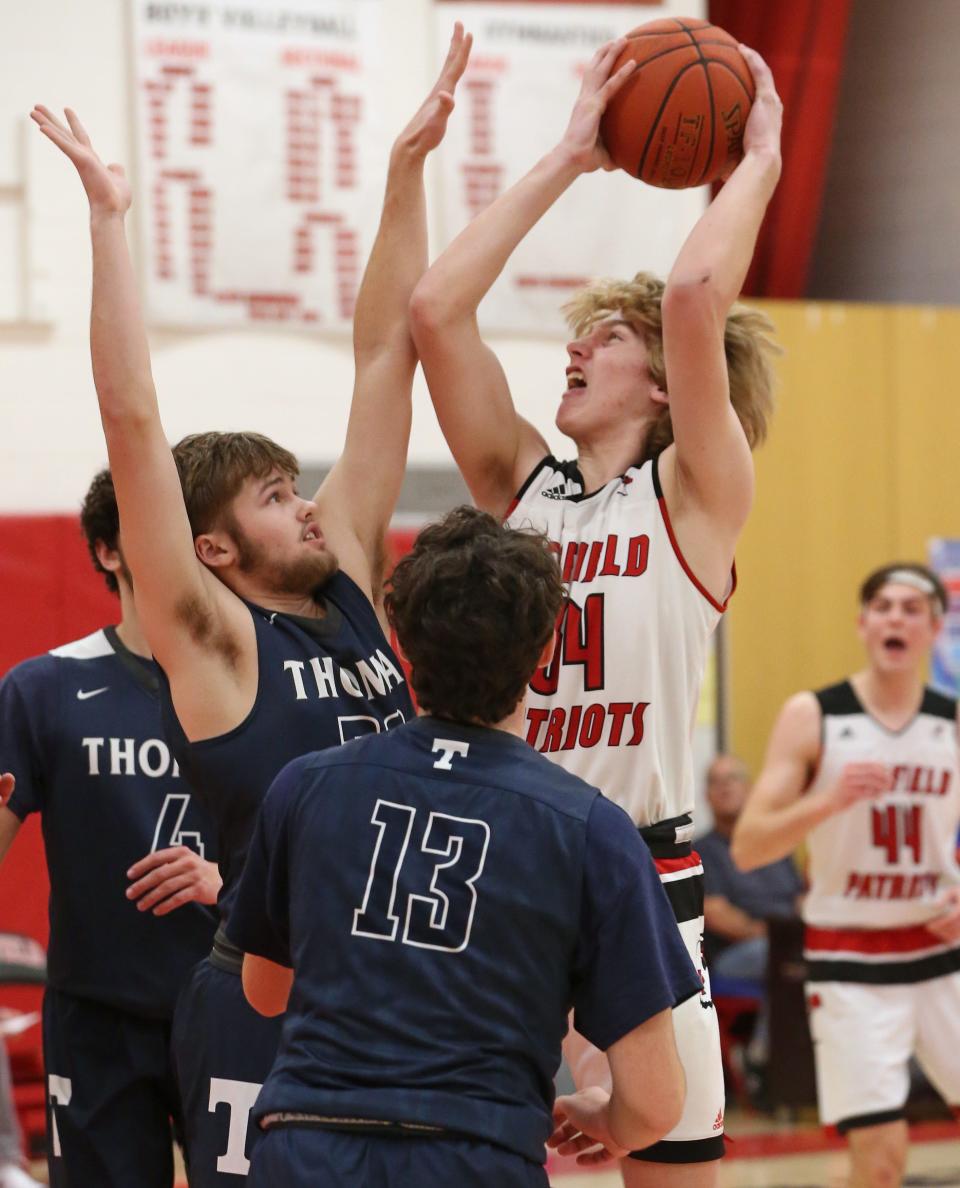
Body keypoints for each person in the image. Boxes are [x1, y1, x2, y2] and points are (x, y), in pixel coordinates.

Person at [31, 24, 471, 1185]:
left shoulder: (351, 586)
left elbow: (388, 353)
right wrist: (111, 223)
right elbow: (132, 417)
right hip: (259, 989)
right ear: (213, 546)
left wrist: (406, 172)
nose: (315, 507)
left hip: (380, 986)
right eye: (281, 496)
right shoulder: (220, 640)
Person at [409, 34, 782, 1185]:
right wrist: (571, 153)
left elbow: (691, 292)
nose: (573, 348)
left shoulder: (695, 494)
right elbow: (436, 307)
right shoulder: (523, 492)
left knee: (668, 1174)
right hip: (507, 871)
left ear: (669, 381)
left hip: (644, 882)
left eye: (604, 339)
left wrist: (758, 155)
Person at [227, 506, 701, 1187]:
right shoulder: (591, 829)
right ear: (546, 653)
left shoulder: (305, 786)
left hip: (306, 1147)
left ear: (400, 640)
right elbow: (656, 1102)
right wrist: (613, 1123)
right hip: (475, 1154)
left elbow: (264, 993)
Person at [0, 469, 219, 1187]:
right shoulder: (44, 688)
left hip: (232, 1006)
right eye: (148, 519)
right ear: (106, 552)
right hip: (96, 1017)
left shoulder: (262, 683)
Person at [732, 562, 960, 1188]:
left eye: (911, 609)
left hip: (942, 951)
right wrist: (827, 800)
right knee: (881, 1162)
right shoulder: (816, 716)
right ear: (862, 623)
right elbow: (749, 846)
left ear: (935, 629)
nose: (895, 617)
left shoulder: (952, 720)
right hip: (849, 958)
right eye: (883, 606)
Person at [698, 754, 803, 975]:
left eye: (732, 778)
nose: (724, 786)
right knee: (780, 955)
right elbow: (715, 913)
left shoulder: (776, 845)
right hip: (737, 951)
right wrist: (777, 937)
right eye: (715, 781)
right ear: (706, 796)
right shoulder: (700, 852)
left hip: (789, 942)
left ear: (749, 789)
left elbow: (800, 898)